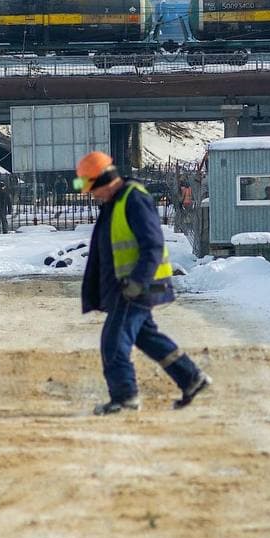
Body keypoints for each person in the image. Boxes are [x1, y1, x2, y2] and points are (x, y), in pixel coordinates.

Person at [77, 150, 211, 415]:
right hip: (127, 286)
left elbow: (152, 244)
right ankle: (190, 377)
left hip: (136, 287)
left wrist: (136, 282)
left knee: (113, 343)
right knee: (147, 337)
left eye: (92, 189)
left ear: (104, 180)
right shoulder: (115, 201)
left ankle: (125, 397)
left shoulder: (132, 198)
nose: (92, 195)